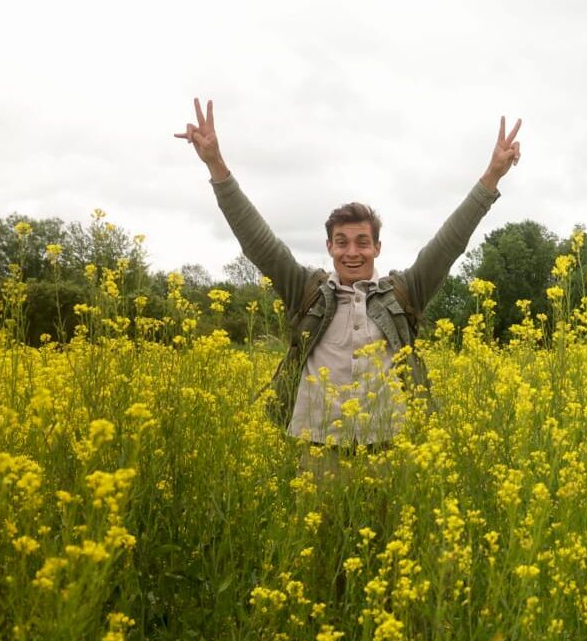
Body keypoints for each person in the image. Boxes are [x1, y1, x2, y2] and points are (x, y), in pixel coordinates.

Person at [175, 98, 522, 448]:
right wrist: (216, 164)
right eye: (341, 242)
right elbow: (257, 240)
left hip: (390, 447)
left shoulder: (404, 293)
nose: (352, 252)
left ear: (377, 248)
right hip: (317, 448)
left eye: (362, 242)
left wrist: (491, 176)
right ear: (329, 248)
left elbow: (450, 242)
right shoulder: (307, 292)